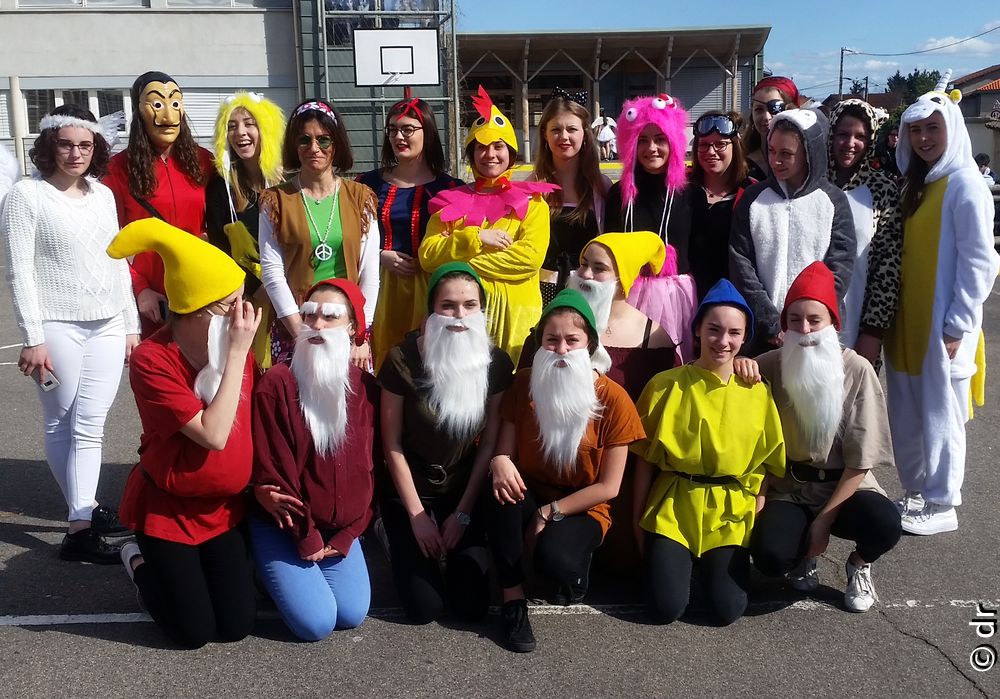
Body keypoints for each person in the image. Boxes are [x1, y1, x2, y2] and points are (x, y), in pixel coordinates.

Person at [109, 217, 260, 649]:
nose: (243, 315)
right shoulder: (152, 360)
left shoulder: (230, 348)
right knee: (192, 633)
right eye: (233, 305)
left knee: (234, 626)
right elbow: (213, 434)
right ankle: (138, 562)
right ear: (201, 312)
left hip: (224, 509)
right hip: (170, 510)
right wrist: (236, 355)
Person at [0, 105, 140, 563]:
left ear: (96, 146)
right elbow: (19, 271)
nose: (75, 153)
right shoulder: (26, 195)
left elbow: (118, 260)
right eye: (65, 143)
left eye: (85, 144)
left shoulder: (102, 195)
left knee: (90, 426)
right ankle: (82, 520)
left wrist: (130, 326)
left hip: (107, 325)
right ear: (48, 145)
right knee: (62, 422)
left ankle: (82, 517)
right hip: (56, 328)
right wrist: (32, 336)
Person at [486, 289, 645, 652]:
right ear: (540, 343)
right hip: (530, 488)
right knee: (499, 492)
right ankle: (513, 601)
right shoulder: (524, 382)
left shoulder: (614, 398)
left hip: (585, 504)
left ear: (588, 344)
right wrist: (498, 461)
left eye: (572, 341)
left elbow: (609, 487)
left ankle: (571, 566)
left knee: (556, 562)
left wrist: (549, 512)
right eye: (551, 340)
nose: (560, 350)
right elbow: (505, 452)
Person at [748, 262, 902, 613]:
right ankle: (803, 556)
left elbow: (861, 461)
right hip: (789, 488)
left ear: (833, 323)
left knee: (885, 523)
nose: (805, 330)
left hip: (845, 486)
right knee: (770, 556)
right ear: (784, 325)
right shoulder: (770, 364)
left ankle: (859, 564)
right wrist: (742, 364)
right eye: (795, 320)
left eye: (815, 320)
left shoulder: (857, 369)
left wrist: (822, 523)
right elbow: (729, 372)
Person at [631, 279, 785, 625]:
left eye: (734, 332)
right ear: (697, 329)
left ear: (745, 337)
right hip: (674, 506)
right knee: (664, 608)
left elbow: (766, 466)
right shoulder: (665, 384)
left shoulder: (757, 392)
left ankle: (712, 570)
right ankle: (680, 567)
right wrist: (638, 520)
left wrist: (754, 521)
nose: (723, 341)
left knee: (725, 610)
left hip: (730, 512)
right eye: (714, 329)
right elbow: (643, 459)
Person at [885, 77, 1000, 535]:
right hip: (909, 324)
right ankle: (916, 489)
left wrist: (958, 324)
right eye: (916, 130)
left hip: (942, 327)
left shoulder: (965, 184)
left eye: (933, 128)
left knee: (943, 414)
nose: (925, 139)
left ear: (952, 128)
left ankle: (943, 501)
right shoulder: (920, 183)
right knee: (909, 410)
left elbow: (981, 261)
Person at [378, 262, 513, 624]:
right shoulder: (401, 360)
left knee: (470, 607)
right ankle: (390, 534)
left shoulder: (496, 363)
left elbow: (487, 445)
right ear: (431, 311)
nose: (459, 315)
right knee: (425, 609)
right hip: (408, 490)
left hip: (461, 489)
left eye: (470, 305)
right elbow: (391, 444)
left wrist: (464, 514)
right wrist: (417, 517)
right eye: (448, 305)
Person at [249, 278, 376, 641]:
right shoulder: (278, 384)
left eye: (330, 317)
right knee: (316, 624)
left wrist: (351, 533)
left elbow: (373, 471)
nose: (317, 325)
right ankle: (260, 569)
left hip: (338, 531)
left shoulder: (367, 389)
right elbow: (276, 476)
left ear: (352, 328)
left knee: (351, 613)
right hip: (284, 526)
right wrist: (307, 539)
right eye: (309, 316)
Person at [419, 86, 556, 367]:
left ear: (511, 152)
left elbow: (529, 259)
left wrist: (459, 263)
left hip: (514, 321)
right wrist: (476, 237)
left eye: (498, 146)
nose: (490, 154)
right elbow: (428, 256)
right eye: (481, 147)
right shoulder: (450, 202)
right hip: (459, 319)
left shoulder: (533, 203)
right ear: (471, 153)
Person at [259, 99, 379, 368]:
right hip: (297, 324)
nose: (314, 148)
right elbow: (272, 271)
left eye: (323, 140)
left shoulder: (361, 198)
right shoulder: (275, 200)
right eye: (304, 140)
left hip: (348, 327)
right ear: (294, 145)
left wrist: (361, 336)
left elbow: (370, 272)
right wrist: (300, 330)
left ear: (336, 144)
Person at [729, 107, 855, 356]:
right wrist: (772, 323)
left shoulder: (833, 200)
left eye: (786, 154)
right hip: (762, 337)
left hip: (815, 335)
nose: (776, 160)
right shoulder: (754, 199)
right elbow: (741, 263)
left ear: (809, 153)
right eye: (772, 150)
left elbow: (840, 266)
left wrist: (807, 320)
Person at [102, 71, 214, 338]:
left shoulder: (204, 161)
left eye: (175, 103)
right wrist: (139, 289)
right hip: (154, 302)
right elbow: (107, 241)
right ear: (139, 110)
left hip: (201, 289)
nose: (167, 116)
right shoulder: (118, 169)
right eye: (156, 104)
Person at [357, 97, 462, 371]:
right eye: (392, 130)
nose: (398, 137)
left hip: (433, 287)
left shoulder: (451, 188)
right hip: (380, 286)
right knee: (382, 361)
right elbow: (348, 237)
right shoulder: (366, 185)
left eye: (407, 129)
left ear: (426, 132)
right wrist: (379, 256)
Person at [604, 94, 697, 362]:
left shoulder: (690, 193)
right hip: (628, 296)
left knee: (675, 366)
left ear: (673, 141)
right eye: (642, 140)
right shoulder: (618, 194)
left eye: (660, 139)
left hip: (677, 300)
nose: (651, 148)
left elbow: (702, 255)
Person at [205, 91, 285, 369]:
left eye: (249, 123)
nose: (240, 133)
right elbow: (220, 248)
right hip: (251, 296)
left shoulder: (291, 179)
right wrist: (258, 288)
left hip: (293, 289)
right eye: (231, 126)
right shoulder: (220, 187)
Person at [826, 99, 903, 362]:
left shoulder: (882, 190)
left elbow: (888, 266)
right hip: (809, 324)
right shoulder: (811, 184)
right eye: (842, 135)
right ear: (830, 135)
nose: (850, 144)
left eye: (860, 136)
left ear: (871, 140)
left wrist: (873, 333)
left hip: (859, 328)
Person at [531, 88, 611, 304]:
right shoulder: (532, 186)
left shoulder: (601, 186)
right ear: (545, 135)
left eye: (572, 129)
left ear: (584, 134)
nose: (564, 136)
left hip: (588, 288)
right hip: (541, 289)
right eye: (556, 129)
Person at [686, 111, 755, 300]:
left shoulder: (752, 193)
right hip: (685, 299)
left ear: (735, 146)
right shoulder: (680, 188)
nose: (711, 152)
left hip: (733, 302)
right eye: (704, 145)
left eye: (720, 144)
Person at [743, 76, 803, 180]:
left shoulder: (806, 164)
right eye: (759, 109)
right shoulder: (743, 164)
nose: (766, 117)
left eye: (774, 109)